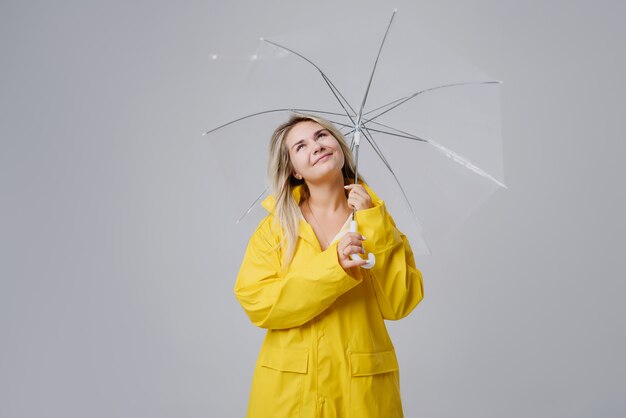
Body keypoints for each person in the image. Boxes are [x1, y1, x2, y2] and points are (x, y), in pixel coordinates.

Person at [234, 114, 424, 418]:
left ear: (338, 145)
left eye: (322, 135)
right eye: (301, 145)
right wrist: (334, 267)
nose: (317, 145)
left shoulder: (376, 219)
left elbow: (400, 303)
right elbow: (257, 302)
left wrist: (372, 223)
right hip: (291, 391)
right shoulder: (276, 229)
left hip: (360, 391)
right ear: (294, 170)